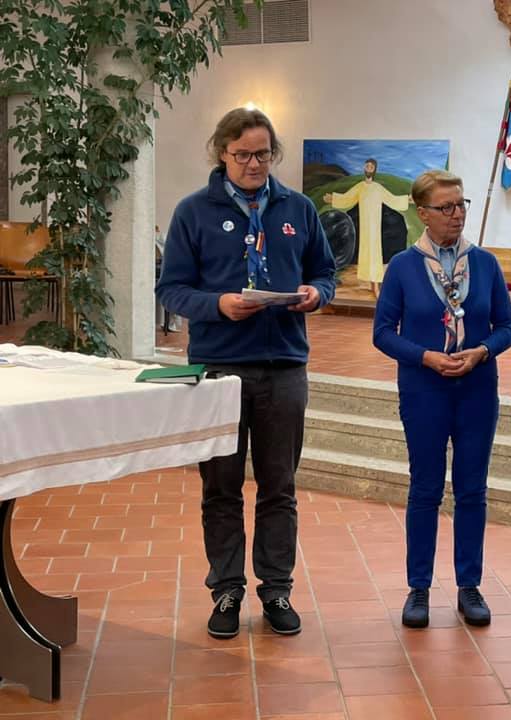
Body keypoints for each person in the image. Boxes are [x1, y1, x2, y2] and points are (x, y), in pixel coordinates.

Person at [156, 108, 336, 639]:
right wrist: (218, 305)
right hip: (219, 368)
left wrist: (315, 294)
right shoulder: (194, 211)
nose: (254, 164)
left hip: (284, 367)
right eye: (243, 155)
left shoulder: (298, 209)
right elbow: (172, 290)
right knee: (221, 487)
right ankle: (227, 589)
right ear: (222, 153)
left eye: (263, 153)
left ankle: (276, 589)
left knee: (279, 486)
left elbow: (325, 271)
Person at [373, 169, 511, 629]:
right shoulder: (402, 267)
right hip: (425, 390)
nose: (457, 214)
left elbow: (507, 327)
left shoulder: (485, 264)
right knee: (425, 487)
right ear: (423, 213)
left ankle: (469, 585)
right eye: (446, 207)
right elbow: (382, 333)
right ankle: (418, 587)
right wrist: (425, 357)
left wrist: (482, 351)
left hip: (476, 389)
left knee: (472, 489)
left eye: (461, 205)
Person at [323, 158, 410, 295]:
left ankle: (375, 285)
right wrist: (333, 199)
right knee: (365, 253)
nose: (369, 168)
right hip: (364, 225)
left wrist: (407, 200)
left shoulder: (377, 188)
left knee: (375, 253)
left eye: (371, 167)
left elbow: (391, 199)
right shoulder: (360, 187)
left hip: (375, 226)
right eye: (367, 166)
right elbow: (347, 197)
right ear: (364, 169)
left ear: (374, 170)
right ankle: (371, 283)